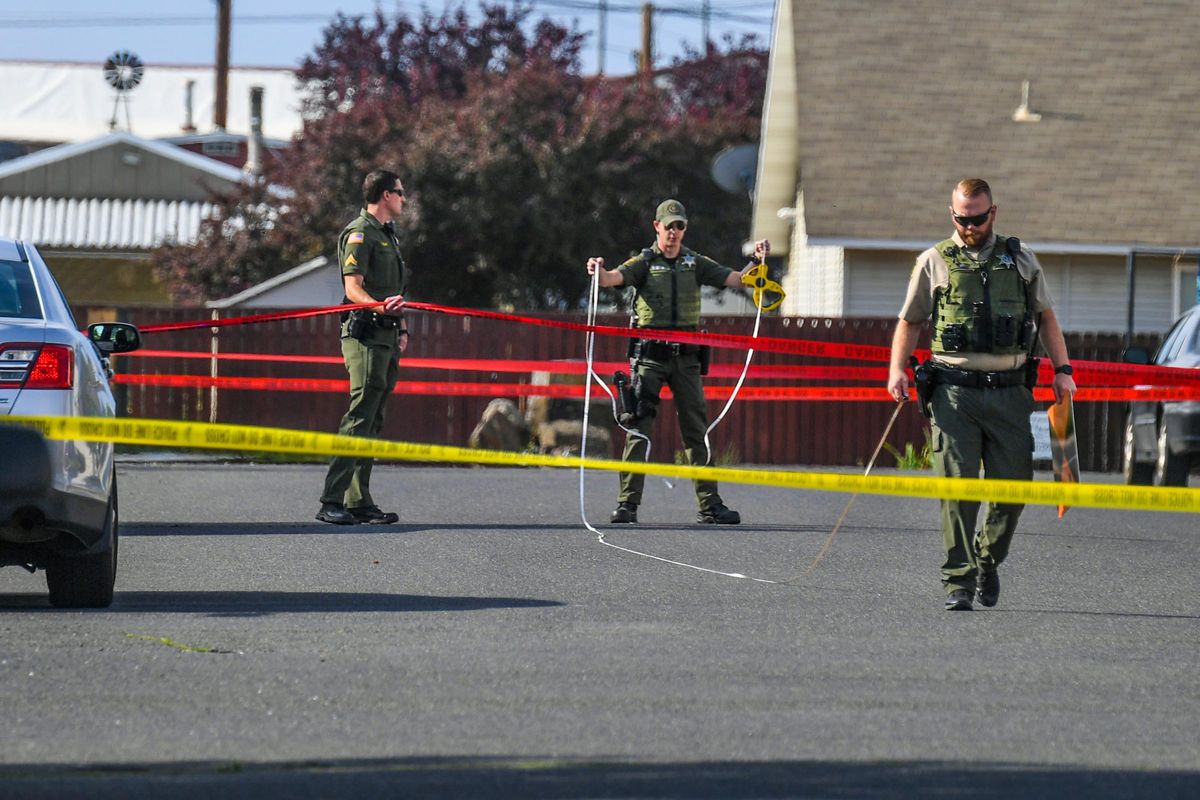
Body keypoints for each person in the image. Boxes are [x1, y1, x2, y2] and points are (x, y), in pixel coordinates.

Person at [887, 178, 1077, 610]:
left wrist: (1063, 370)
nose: (969, 227)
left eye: (977, 218)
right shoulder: (934, 260)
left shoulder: (1022, 258)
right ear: (951, 213)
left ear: (994, 212)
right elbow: (909, 321)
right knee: (958, 489)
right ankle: (958, 579)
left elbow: (1046, 317)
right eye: (962, 219)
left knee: (1015, 490)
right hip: (954, 394)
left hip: (1011, 393)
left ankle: (987, 559)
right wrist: (897, 369)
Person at [586, 199, 769, 525]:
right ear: (656, 226)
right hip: (649, 359)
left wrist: (757, 259)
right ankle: (627, 504)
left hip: (686, 360)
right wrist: (598, 271)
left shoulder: (694, 262)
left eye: (679, 226)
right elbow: (611, 278)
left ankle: (710, 505)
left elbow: (738, 279)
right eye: (668, 225)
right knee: (638, 430)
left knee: (697, 431)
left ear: (685, 229)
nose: (673, 231)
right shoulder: (643, 262)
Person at [316, 169, 410, 525]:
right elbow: (353, 288)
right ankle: (331, 500)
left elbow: (393, 291)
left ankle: (359, 500)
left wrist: (402, 327)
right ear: (386, 195)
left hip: (386, 335)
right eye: (400, 192)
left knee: (373, 418)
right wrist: (381, 309)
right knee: (359, 415)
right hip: (365, 335)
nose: (404, 199)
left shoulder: (387, 235)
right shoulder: (360, 233)